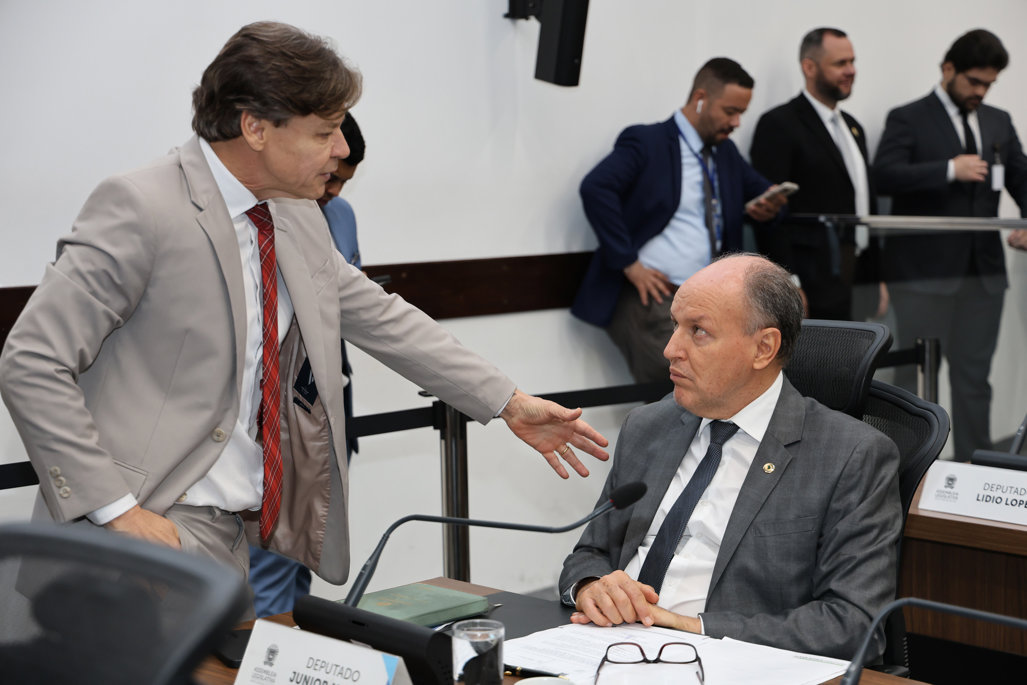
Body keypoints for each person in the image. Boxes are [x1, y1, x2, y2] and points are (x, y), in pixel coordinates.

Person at [0, 22, 609, 606]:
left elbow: (382, 318)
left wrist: (508, 401)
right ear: (255, 127)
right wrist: (117, 511)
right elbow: (31, 360)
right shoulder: (142, 205)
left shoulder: (293, 213)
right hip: (134, 537)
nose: (341, 150)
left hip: (227, 533)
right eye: (325, 132)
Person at [559, 254, 901, 660]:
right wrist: (591, 587)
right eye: (675, 325)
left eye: (698, 331)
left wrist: (691, 628)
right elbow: (590, 553)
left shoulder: (851, 455)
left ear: (763, 348)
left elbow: (853, 623)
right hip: (608, 651)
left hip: (726, 662)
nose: (670, 349)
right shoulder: (647, 426)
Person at [571, 58, 786, 383]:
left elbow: (764, 195)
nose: (736, 122)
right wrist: (628, 262)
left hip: (712, 301)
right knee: (681, 390)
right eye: (730, 111)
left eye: (741, 113)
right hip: (655, 297)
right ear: (700, 98)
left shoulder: (725, 153)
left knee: (726, 384)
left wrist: (769, 207)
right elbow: (596, 188)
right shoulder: (648, 142)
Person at [873, 29, 1027, 461]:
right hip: (924, 276)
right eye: (974, 82)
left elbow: (1021, 177)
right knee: (913, 380)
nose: (981, 92)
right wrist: (947, 170)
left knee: (974, 379)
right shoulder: (908, 117)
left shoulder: (998, 120)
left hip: (984, 276)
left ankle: (975, 474)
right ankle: (907, 474)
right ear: (948, 69)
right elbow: (883, 175)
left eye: (988, 84)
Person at [247, 112, 367, 618]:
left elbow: (357, 308)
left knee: (306, 551)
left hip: (324, 407)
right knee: (268, 565)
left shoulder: (340, 215)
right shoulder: (255, 215)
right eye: (332, 175)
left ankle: (289, 649)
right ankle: (263, 650)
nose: (333, 190)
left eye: (344, 182)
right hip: (267, 419)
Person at [750, 27, 884, 321]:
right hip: (811, 280)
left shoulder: (853, 127)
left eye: (852, 61)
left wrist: (877, 277)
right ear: (809, 67)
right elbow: (770, 215)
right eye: (840, 63)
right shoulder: (779, 124)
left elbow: (866, 202)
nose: (851, 70)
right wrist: (788, 282)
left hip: (859, 277)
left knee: (859, 351)